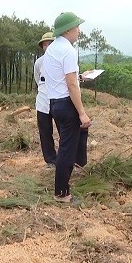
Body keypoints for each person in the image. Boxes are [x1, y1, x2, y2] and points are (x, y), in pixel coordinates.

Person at [42, 12, 90, 203]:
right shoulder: (68, 51)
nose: (79, 30)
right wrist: (82, 113)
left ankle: (76, 166)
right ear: (69, 29)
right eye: (77, 27)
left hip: (54, 104)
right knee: (66, 150)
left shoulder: (51, 50)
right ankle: (62, 193)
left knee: (67, 145)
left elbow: (59, 78)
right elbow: (71, 84)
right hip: (66, 103)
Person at [34, 31, 57, 168]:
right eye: (45, 44)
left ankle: (66, 158)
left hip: (59, 100)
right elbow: (38, 80)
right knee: (45, 131)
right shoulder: (39, 63)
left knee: (63, 130)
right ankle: (50, 160)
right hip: (43, 102)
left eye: (50, 44)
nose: (47, 47)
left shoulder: (60, 60)